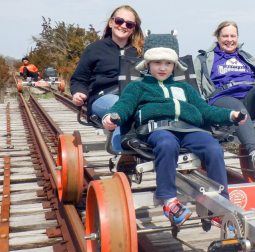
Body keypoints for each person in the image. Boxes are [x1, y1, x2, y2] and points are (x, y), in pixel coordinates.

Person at [102, 31, 247, 228]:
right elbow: (124, 106)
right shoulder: (139, 87)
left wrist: (230, 115)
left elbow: (206, 111)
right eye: (157, 63)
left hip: (188, 130)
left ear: (174, 65)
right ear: (148, 64)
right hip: (157, 130)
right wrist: (112, 117)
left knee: (213, 147)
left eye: (168, 63)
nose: (163, 68)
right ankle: (168, 201)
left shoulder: (185, 89)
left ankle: (220, 205)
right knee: (166, 143)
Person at [194, 21, 255, 168]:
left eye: (233, 36)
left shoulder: (246, 57)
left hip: (248, 98)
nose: (229, 40)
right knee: (237, 107)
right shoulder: (204, 58)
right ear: (218, 38)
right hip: (221, 99)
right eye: (225, 36)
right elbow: (196, 86)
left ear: (238, 37)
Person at [70, 5, 144, 150]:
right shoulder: (94, 49)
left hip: (133, 96)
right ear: (111, 23)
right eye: (119, 21)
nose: (123, 26)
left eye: (129, 24)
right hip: (104, 96)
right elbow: (79, 79)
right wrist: (78, 93)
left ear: (133, 29)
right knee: (120, 106)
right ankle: (121, 155)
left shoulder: (139, 53)